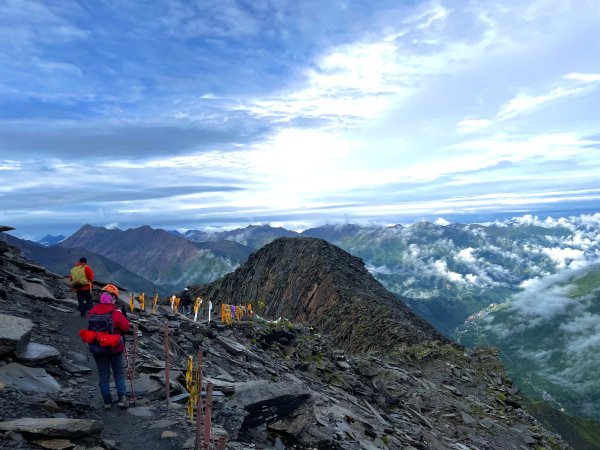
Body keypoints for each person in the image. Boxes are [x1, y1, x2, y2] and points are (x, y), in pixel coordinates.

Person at [86, 284, 130, 409]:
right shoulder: (115, 313)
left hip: (97, 348)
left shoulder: (92, 311)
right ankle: (122, 398)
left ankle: (107, 401)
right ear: (113, 298)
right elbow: (126, 327)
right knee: (118, 374)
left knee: (103, 374)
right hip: (114, 348)